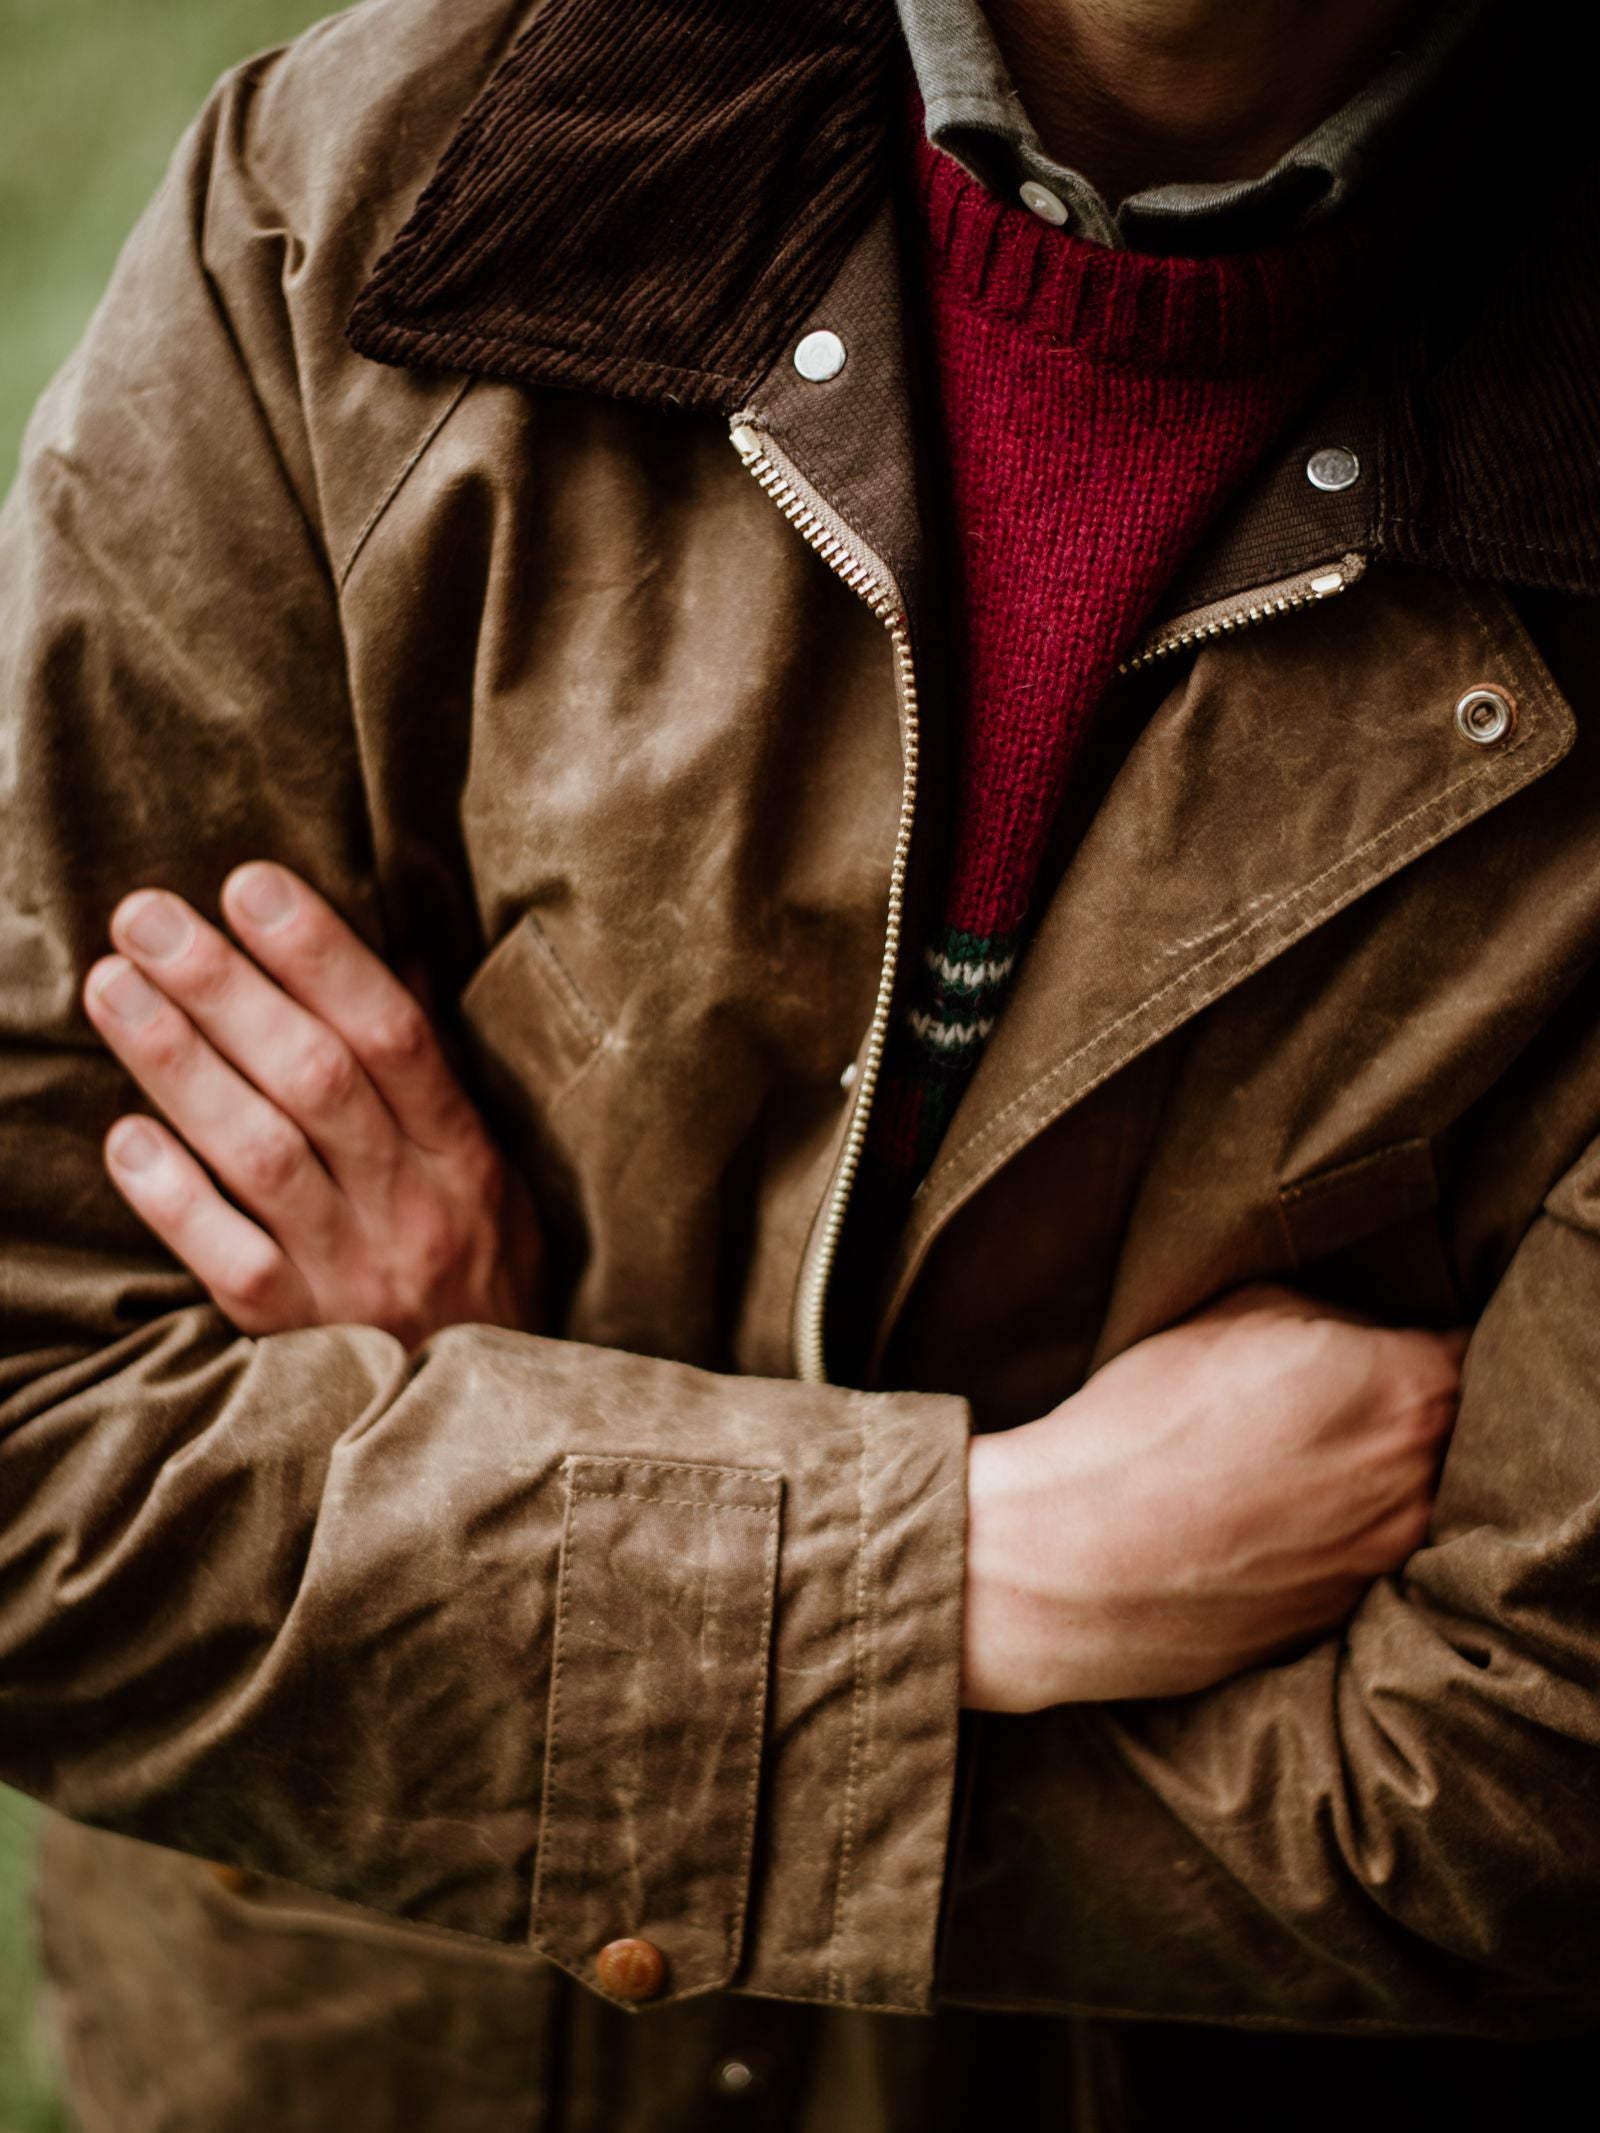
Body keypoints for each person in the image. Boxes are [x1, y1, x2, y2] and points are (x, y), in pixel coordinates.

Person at [3, 0, 1598, 2126]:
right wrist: (981, 1562)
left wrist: (458, 1453)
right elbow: (35, 1456)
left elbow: (1520, 1800)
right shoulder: (363, 196)